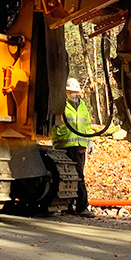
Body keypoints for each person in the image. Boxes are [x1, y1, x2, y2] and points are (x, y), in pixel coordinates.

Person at [52, 78, 95, 217]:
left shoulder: (82, 106)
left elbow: (87, 126)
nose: (74, 95)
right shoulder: (61, 106)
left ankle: (75, 206)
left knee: (77, 177)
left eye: (76, 92)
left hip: (79, 147)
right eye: (71, 92)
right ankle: (74, 206)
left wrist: (89, 141)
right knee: (70, 177)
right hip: (65, 146)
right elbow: (55, 124)